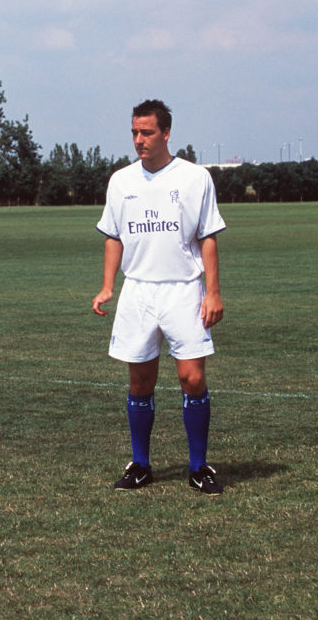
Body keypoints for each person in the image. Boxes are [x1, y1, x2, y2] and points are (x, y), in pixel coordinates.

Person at [92, 99, 226, 495]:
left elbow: (208, 238)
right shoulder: (121, 181)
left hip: (184, 290)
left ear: (166, 133)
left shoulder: (195, 177)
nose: (139, 140)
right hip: (138, 291)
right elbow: (113, 236)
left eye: (147, 132)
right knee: (140, 382)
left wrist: (213, 292)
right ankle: (141, 465)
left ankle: (199, 466)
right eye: (134, 132)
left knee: (193, 379)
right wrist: (107, 286)